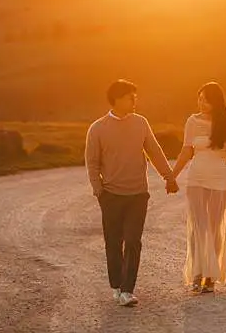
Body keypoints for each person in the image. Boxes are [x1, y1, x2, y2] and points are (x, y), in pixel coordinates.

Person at [85, 78, 180, 307]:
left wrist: (169, 177)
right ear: (117, 99)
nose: (134, 100)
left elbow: (154, 151)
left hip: (138, 194)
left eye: (135, 96)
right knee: (113, 242)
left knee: (133, 241)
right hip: (111, 195)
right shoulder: (98, 128)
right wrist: (99, 191)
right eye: (130, 97)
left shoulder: (141, 123)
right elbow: (92, 162)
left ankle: (127, 289)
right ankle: (116, 285)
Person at [171, 81, 226, 293]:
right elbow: (186, 152)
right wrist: (171, 176)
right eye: (200, 98)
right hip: (196, 179)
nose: (202, 103)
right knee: (198, 228)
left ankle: (211, 277)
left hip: (219, 179)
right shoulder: (192, 121)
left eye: (206, 100)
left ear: (216, 102)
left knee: (214, 227)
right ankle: (197, 274)